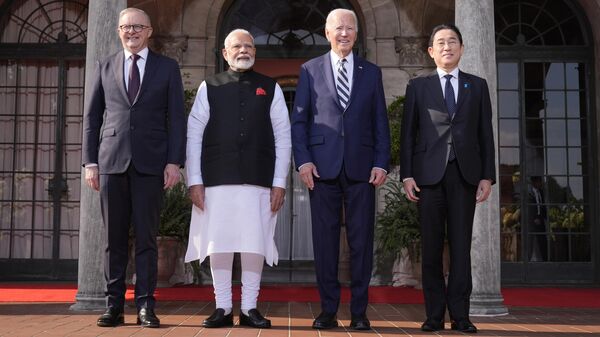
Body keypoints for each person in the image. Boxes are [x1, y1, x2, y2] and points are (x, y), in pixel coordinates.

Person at [82, 8, 186, 328]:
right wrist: (90, 162)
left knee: (146, 239)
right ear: (117, 31)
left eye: (138, 27)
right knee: (113, 240)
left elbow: (176, 119)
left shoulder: (167, 68)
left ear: (149, 31)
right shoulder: (105, 66)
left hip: (151, 164)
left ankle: (145, 306)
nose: (131, 32)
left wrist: (173, 162)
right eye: (126, 27)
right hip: (111, 162)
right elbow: (91, 119)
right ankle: (113, 305)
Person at [184, 29, 291, 329]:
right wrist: (194, 180)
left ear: (254, 51)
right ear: (225, 53)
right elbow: (194, 134)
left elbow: (284, 136)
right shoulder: (210, 86)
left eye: (249, 46)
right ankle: (221, 306)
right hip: (216, 179)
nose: (243, 50)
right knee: (220, 243)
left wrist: (279, 182)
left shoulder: (270, 87)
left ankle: (249, 308)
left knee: (253, 243)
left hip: (258, 180)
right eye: (237, 46)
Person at [291, 8, 390, 331]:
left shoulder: (371, 72)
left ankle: (360, 312)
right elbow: (300, 121)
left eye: (350, 28)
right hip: (322, 168)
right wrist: (303, 161)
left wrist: (380, 161)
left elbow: (380, 121)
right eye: (339, 28)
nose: (344, 33)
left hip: (363, 169)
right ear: (327, 32)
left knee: (362, 242)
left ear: (357, 35)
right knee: (325, 243)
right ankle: (328, 310)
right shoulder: (309, 70)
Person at [400, 23, 495, 333]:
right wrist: (407, 174)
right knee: (430, 248)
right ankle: (433, 315)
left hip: (465, 176)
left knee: (460, 247)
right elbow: (408, 134)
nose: (447, 47)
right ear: (431, 51)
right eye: (440, 42)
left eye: (453, 41)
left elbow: (485, 134)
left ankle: (461, 315)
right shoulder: (418, 86)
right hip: (428, 178)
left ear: (462, 48)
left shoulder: (477, 86)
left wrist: (487, 176)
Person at [527, 176, 548, 261]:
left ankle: (545, 260)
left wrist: (543, 217)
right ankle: (528, 260)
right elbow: (528, 208)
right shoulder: (529, 192)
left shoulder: (541, 192)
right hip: (532, 221)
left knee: (543, 241)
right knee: (530, 241)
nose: (541, 184)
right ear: (534, 183)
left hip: (540, 220)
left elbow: (542, 206)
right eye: (539, 182)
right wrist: (533, 219)